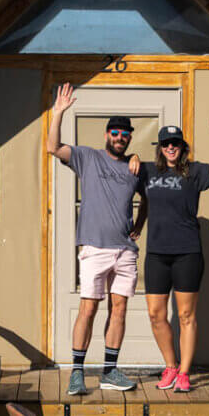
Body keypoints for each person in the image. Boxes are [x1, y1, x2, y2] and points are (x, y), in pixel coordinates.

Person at [47, 83, 146, 395]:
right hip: (94, 248)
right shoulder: (87, 158)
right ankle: (77, 372)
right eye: (115, 133)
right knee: (88, 309)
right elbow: (53, 147)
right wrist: (58, 112)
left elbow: (149, 199)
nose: (120, 137)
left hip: (125, 251)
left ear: (130, 137)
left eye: (125, 134)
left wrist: (139, 225)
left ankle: (110, 371)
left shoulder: (136, 167)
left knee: (119, 310)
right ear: (107, 135)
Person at [132, 113, 209, 392]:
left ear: (183, 147)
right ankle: (170, 366)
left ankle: (185, 374)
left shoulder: (195, 172)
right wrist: (132, 156)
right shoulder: (148, 172)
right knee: (156, 314)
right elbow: (143, 201)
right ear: (161, 147)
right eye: (166, 143)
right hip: (157, 254)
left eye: (176, 143)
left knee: (187, 315)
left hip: (187, 253)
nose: (171, 148)